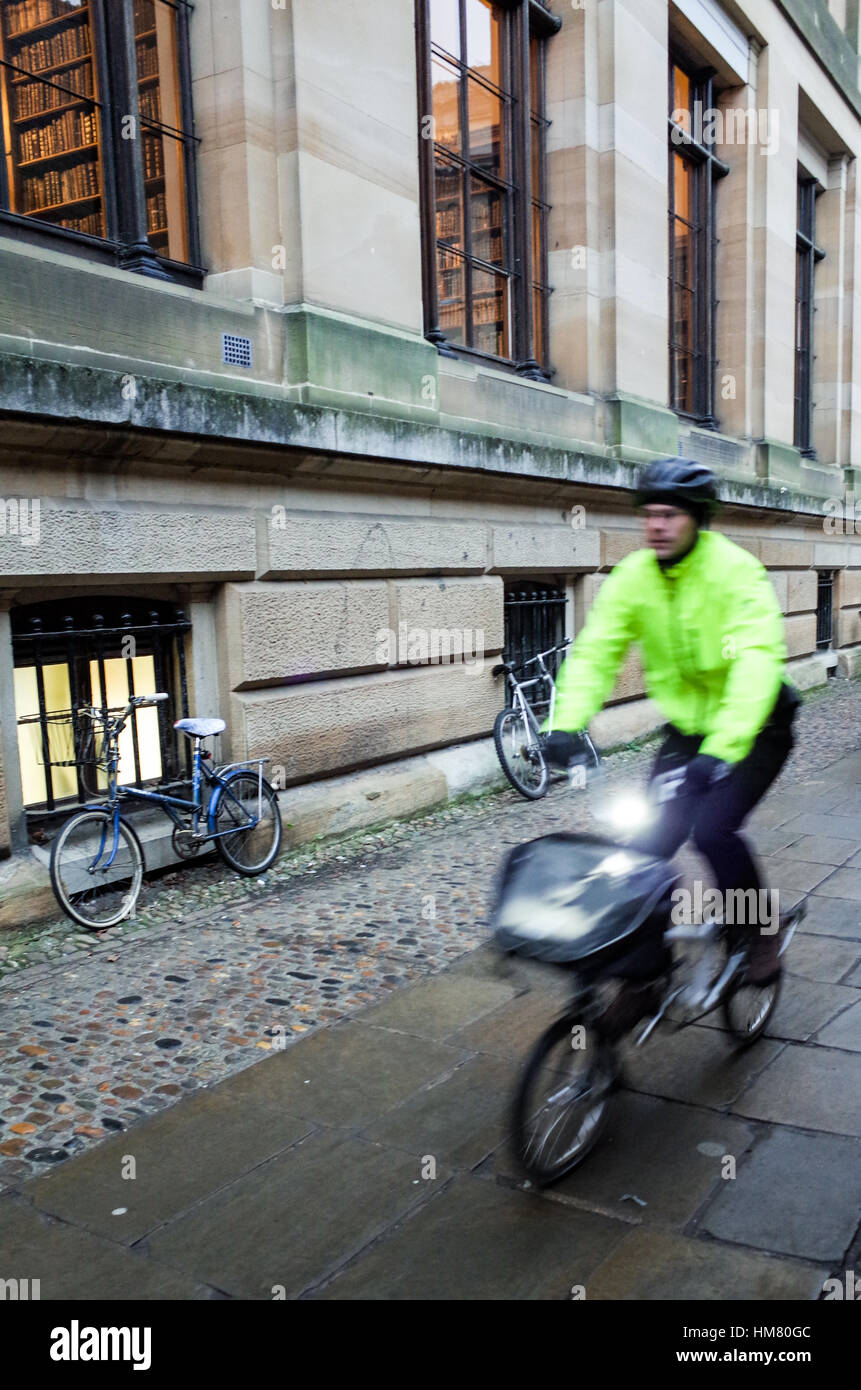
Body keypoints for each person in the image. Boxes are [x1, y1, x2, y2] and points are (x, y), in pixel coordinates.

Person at [544, 458, 800, 1035]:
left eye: (670, 514)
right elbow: (596, 652)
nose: (656, 525)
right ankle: (643, 978)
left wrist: (723, 751)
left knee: (712, 828)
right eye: (650, 514)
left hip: (757, 726)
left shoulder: (735, 574)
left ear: (697, 519)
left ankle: (761, 926)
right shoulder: (635, 577)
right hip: (688, 734)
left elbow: (756, 667)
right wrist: (564, 724)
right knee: (644, 850)